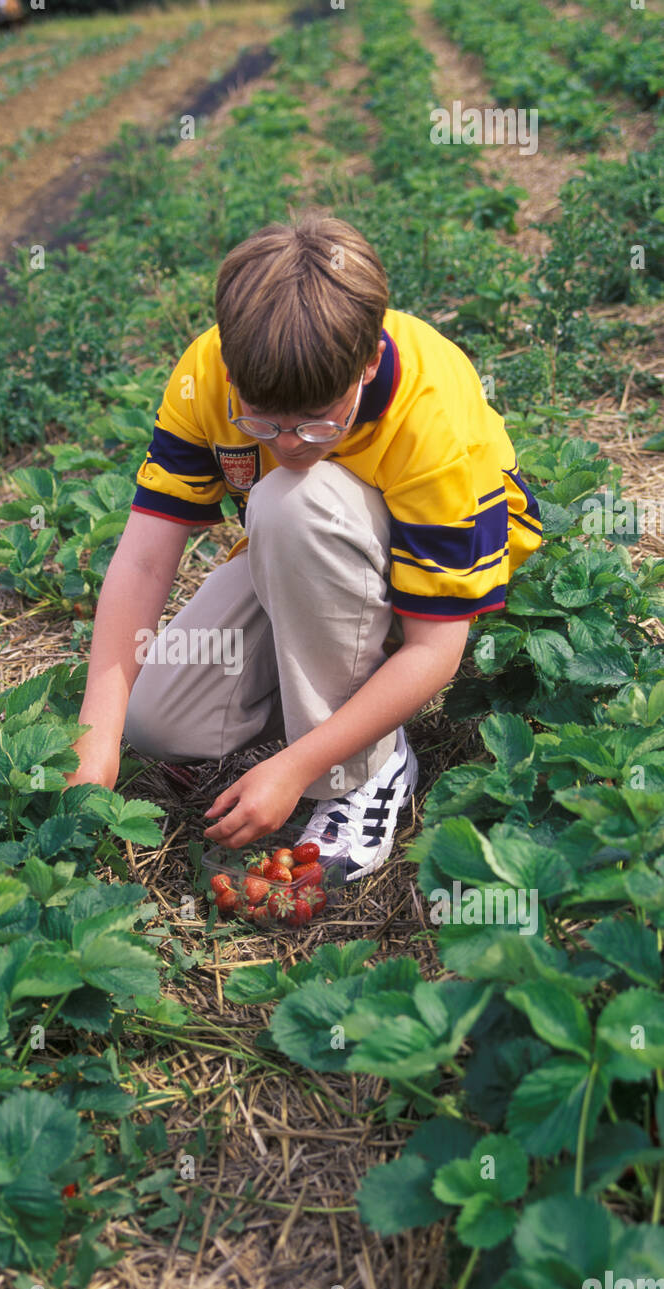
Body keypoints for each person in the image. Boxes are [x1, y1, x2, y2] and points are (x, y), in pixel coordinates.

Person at [65, 209, 542, 883]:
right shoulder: (210, 373)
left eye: (317, 424)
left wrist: (299, 766)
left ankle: (368, 773)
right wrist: (96, 739)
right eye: (262, 422)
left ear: (370, 360)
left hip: (434, 585)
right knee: (157, 721)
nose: (286, 443)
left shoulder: (432, 415)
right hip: (305, 554)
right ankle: (320, 696)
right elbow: (144, 557)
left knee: (293, 497)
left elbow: (437, 650)